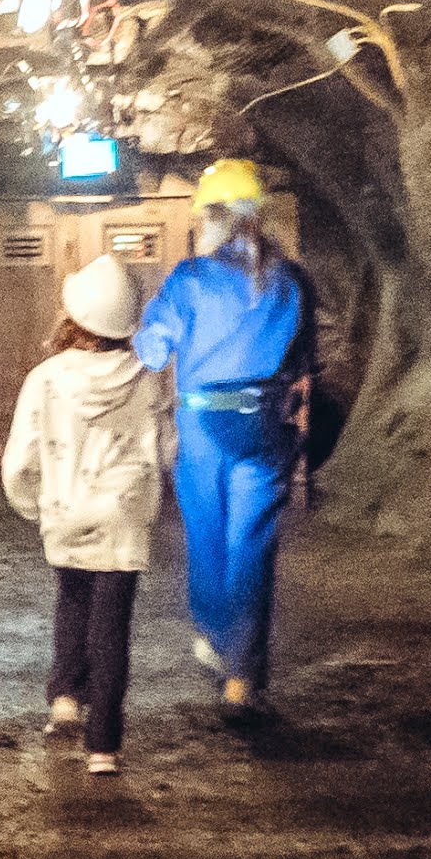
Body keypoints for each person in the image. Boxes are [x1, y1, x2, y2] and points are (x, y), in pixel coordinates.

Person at [134, 156, 319, 714]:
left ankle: (216, 641)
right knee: (252, 546)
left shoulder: (191, 278)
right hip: (265, 420)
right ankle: (244, 674)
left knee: (209, 541)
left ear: (212, 218)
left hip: (205, 421)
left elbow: (151, 348)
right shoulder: (292, 281)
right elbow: (305, 362)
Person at [0, 254, 167, 775]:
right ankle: (103, 746)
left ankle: (65, 698)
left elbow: (20, 458)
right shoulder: (148, 379)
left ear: (76, 319)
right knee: (112, 627)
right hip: (121, 517)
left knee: (71, 599)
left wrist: (31, 504)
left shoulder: (46, 378)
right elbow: (164, 449)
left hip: (65, 511)